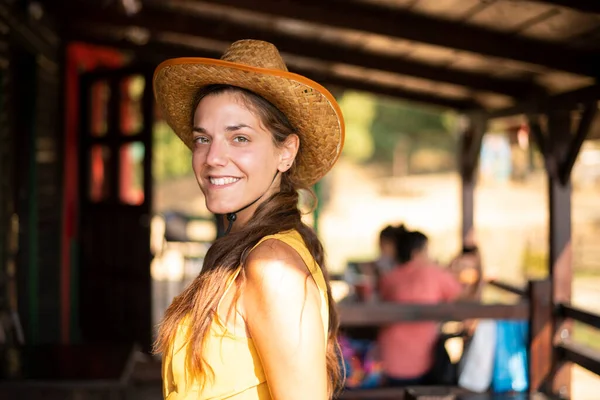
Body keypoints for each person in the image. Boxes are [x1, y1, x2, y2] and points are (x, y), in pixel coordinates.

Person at [153, 40, 345, 400]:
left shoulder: (273, 265)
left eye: (239, 138)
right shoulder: (246, 249)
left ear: (285, 152)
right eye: (202, 138)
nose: (213, 158)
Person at [378, 226, 462, 386]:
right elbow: (461, 296)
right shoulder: (434, 273)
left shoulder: (389, 278)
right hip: (423, 363)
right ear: (417, 253)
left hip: (390, 361)